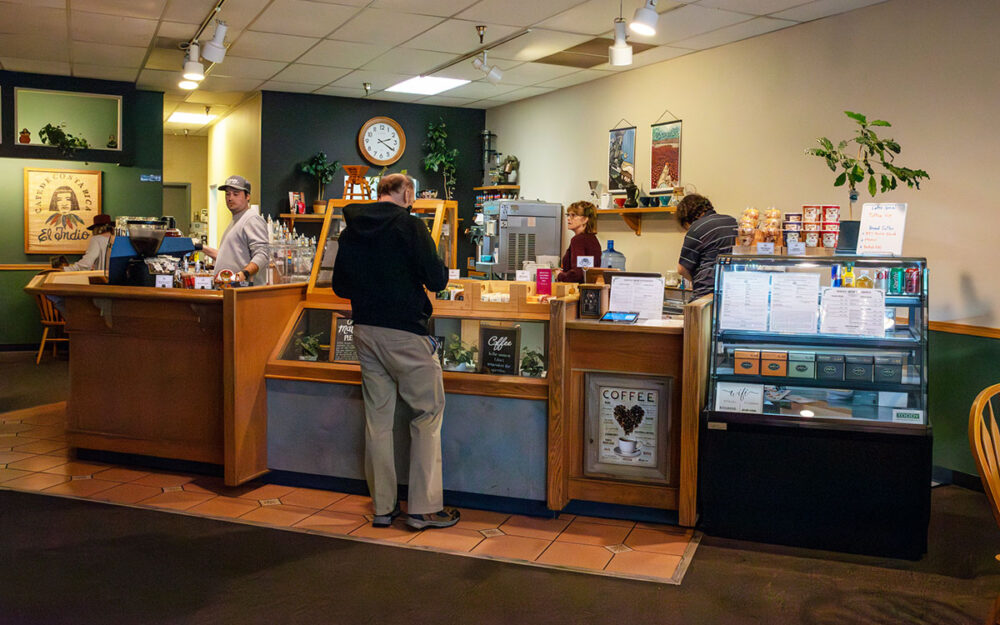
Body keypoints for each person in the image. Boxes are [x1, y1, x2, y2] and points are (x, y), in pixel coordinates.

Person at [332, 173, 459, 530]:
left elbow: (341, 285)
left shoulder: (351, 228)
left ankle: (383, 508)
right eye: (412, 196)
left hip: (365, 331)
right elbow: (436, 280)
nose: (413, 202)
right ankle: (422, 509)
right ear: (405, 192)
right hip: (406, 332)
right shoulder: (412, 227)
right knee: (427, 414)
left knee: (378, 421)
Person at [202, 175, 269, 285]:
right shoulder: (237, 219)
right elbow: (227, 256)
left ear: (248, 196)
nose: (230, 198)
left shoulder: (251, 219)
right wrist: (200, 247)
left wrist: (243, 274)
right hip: (229, 289)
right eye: (227, 194)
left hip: (244, 293)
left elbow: (262, 255)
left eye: (236, 194)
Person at [676, 193, 737, 299]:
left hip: (706, 294)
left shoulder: (697, 228)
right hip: (732, 291)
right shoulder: (732, 221)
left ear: (688, 217)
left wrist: (694, 280)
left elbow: (681, 269)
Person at [556, 201, 602, 283]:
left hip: (578, 290)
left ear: (585, 219)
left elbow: (578, 273)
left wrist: (560, 275)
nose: (568, 218)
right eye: (568, 215)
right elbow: (584, 270)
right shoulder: (593, 239)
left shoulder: (578, 240)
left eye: (573, 215)